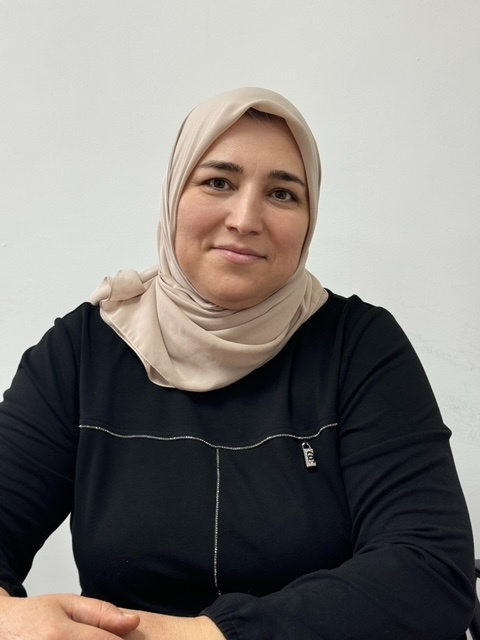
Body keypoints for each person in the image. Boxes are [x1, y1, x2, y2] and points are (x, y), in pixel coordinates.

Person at [0, 87, 475, 639]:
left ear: (309, 219)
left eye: (282, 193)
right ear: (174, 193)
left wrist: (200, 636)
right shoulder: (86, 348)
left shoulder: (359, 345)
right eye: (218, 183)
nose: (246, 218)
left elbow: (431, 572)